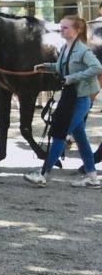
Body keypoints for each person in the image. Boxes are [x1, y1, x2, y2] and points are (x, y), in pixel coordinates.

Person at [23, 15, 101, 188]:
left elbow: (97, 68)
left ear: (77, 30)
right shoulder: (66, 48)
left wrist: (72, 78)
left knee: (59, 134)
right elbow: (61, 67)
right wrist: (45, 67)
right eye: (61, 27)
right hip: (70, 98)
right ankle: (92, 178)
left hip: (79, 100)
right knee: (81, 139)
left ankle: (43, 175)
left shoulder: (83, 50)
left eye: (66, 27)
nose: (62, 30)